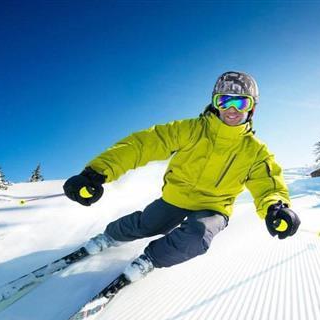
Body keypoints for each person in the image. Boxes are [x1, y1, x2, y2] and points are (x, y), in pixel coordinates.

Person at [63, 71, 301, 282]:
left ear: (252, 108)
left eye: (241, 103)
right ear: (215, 103)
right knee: (148, 223)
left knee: (197, 235)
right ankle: (109, 237)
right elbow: (142, 145)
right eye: (225, 101)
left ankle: (150, 260)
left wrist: (275, 208)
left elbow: (268, 184)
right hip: (176, 197)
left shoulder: (256, 152)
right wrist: (96, 172)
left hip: (215, 207)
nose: (232, 110)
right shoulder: (191, 130)